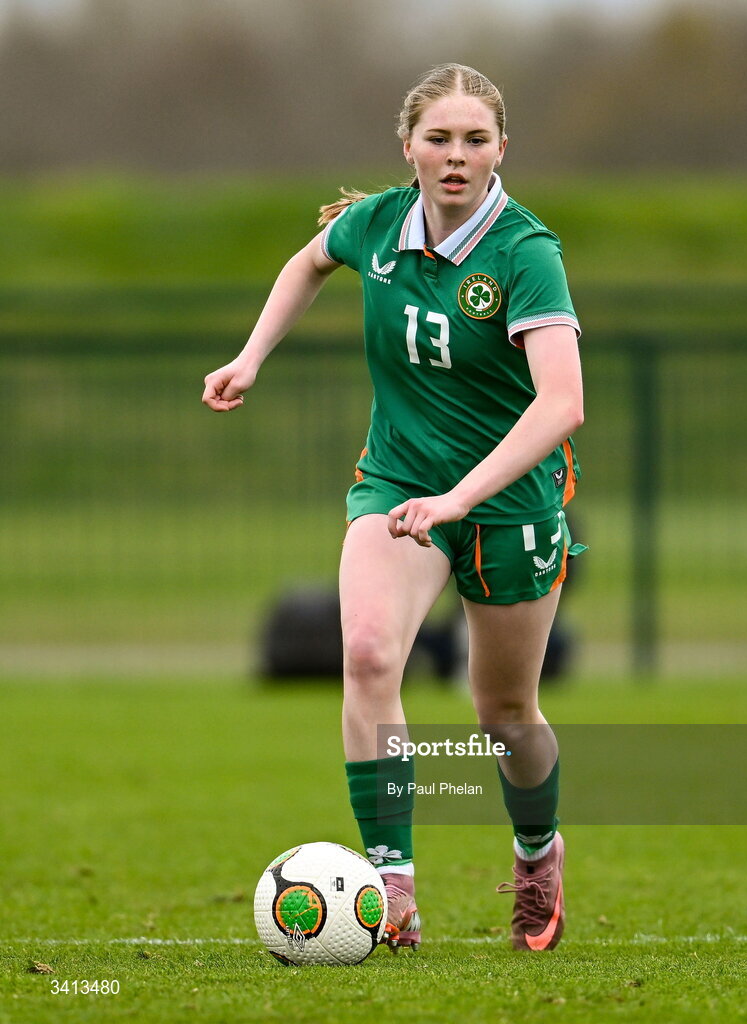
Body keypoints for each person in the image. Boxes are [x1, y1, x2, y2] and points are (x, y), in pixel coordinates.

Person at [202, 63, 586, 953]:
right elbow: (308, 263)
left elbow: (562, 405)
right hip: (397, 485)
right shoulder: (376, 220)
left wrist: (458, 498)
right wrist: (252, 356)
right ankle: (390, 887)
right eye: (439, 139)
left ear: (501, 150)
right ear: (408, 145)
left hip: (507, 505)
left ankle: (537, 853)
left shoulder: (525, 253)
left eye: (476, 140)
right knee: (370, 654)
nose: (456, 157)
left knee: (505, 717)